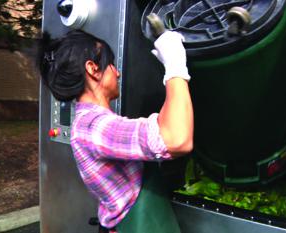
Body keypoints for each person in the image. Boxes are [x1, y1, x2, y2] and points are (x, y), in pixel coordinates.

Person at [38, 29, 193, 233]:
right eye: (111, 64)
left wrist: (168, 69)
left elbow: (163, 127)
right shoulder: (95, 127)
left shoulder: (92, 122)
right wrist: (175, 67)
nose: (117, 72)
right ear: (93, 69)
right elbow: (177, 140)